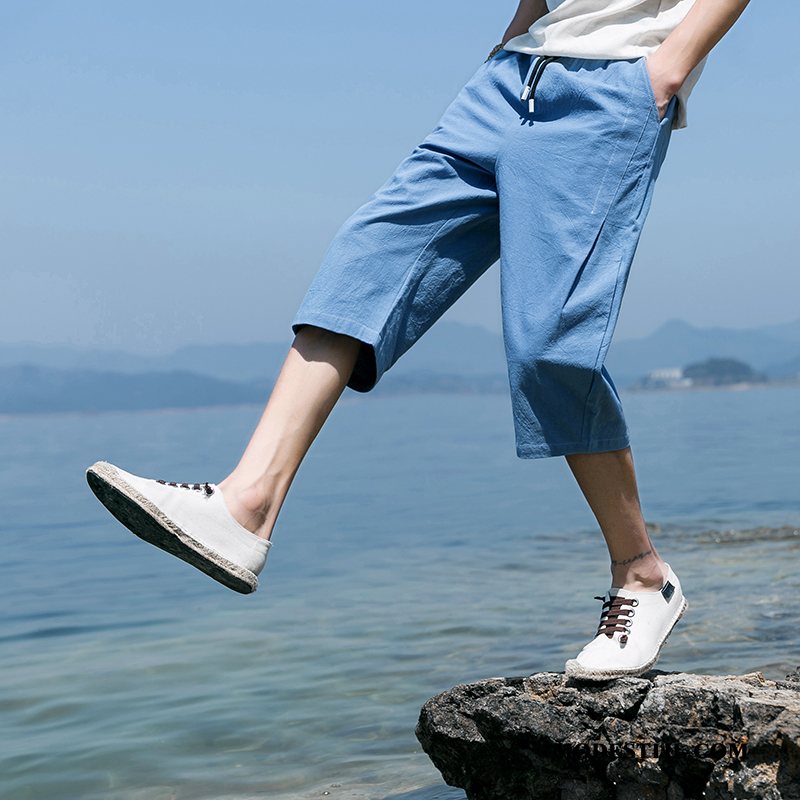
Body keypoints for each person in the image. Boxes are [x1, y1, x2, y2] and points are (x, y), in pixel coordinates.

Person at [86, 0, 752, 681]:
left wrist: (669, 66)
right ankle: (245, 505)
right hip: (510, 77)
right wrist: (514, 37)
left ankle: (642, 576)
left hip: (614, 86)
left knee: (548, 344)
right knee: (367, 259)